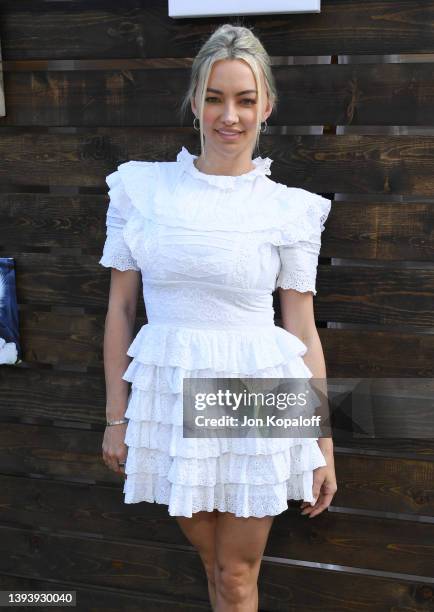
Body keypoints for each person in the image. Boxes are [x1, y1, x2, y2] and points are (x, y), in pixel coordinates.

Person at [100, 23, 337, 612]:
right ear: (194, 102)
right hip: (168, 395)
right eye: (214, 97)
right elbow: (121, 309)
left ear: (267, 107)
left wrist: (324, 444)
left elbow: (301, 331)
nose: (228, 115)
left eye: (245, 99)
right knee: (210, 563)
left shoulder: (288, 209)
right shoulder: (141, 190)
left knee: (236, 574)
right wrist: (115, 417)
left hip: (254, 396)